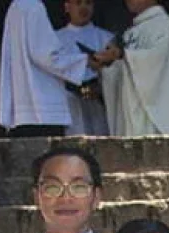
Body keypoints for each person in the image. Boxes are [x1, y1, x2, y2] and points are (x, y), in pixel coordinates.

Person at [0, 0, 94, 136]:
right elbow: (46, 56)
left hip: (22, 107)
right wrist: (86, 61)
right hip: (42, 107)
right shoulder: (34, 7)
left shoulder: (16, 6)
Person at [99, 0, 169, 136]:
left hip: (153, 113)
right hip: (130, 108)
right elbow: (123, 71)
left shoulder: (164, 25)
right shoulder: (132, 31)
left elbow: (154, 63)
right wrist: (106, 64)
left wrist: (123, 54)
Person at [58, 0, 114, 137]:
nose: (83, 7)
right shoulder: (55, 39)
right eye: (78, 3)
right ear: (67, 7)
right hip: (67, 105)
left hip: (99, 104)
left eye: (88, 3)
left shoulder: (106, 38)